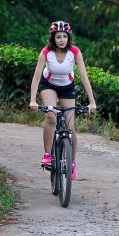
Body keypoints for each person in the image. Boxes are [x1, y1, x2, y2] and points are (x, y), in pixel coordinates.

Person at [28, 20, 97, 180]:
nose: (62, 40)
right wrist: (33, 100)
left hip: (67, 87)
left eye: (64, 36)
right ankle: (47, 154)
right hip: (48, 85)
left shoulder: (75, 52)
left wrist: (92, 101)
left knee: (70, 127)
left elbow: (84, 77)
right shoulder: (46, 52)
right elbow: (36, 77)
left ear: (68, 37)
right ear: (53, 38)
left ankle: (72, 162)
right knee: (51, 117)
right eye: (58, 37)